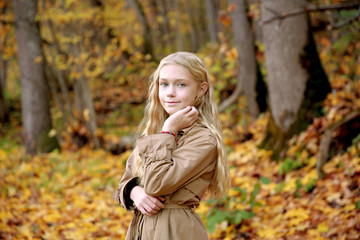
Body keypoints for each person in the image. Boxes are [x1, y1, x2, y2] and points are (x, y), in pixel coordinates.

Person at [115, 51, 230, 240]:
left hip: (176, 231)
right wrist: (134, 192)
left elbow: (157, 185)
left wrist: (169, 131)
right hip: (142, 231)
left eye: (181, 85)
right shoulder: (156, 133)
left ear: (201, 89)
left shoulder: (204, 139)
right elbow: (123, 185)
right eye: (164, 84)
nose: (170, 92)